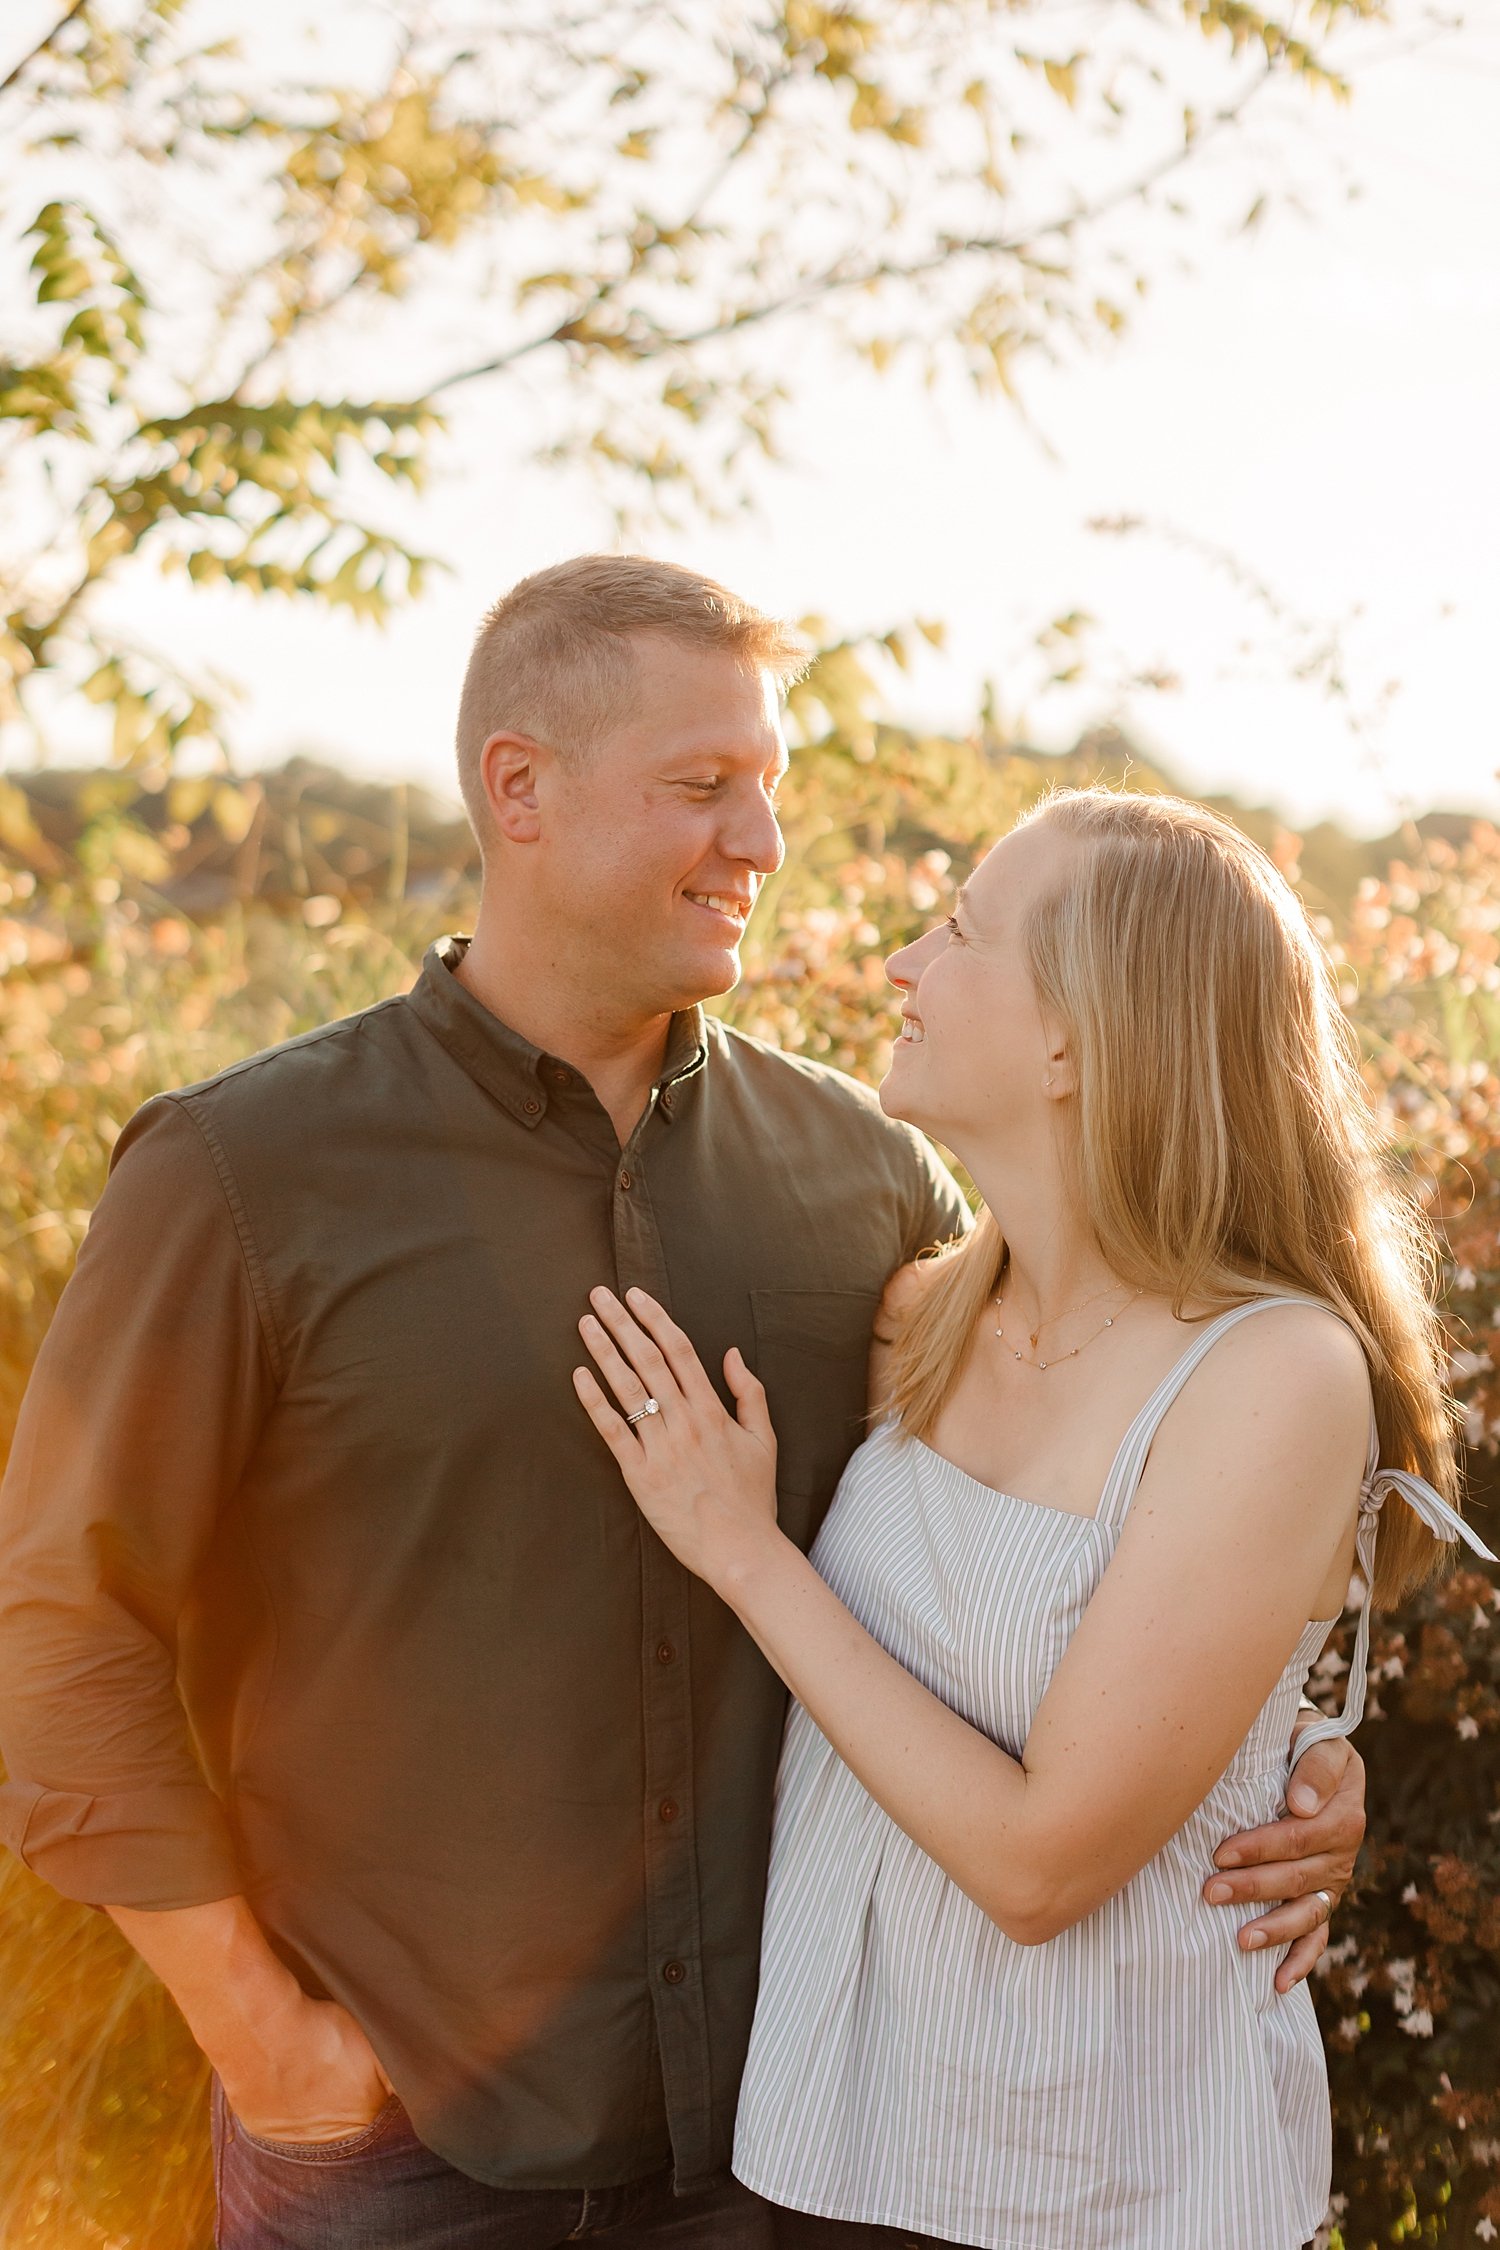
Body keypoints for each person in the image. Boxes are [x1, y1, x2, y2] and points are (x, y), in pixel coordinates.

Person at [0, 567, 1362, 2250]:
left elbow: (1091, 1478)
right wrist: (264, 2038)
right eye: (703, 787)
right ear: (521, 790)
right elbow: (59, 1625)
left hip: (785, 2156)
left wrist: (1280, 1759)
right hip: (396, 2159)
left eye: (770, 784)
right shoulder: (240, 1174)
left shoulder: (865, 1178)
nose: (765, 841)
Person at [572, 786, 1494, 2250]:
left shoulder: (1270, 1374)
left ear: (1077, 1036)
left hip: (1095, 2187)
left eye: (958, 930)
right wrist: (1295, 1743)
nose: (901, 966)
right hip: (834, 2149)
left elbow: (1040, 1863)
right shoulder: (930, 1314)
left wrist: (745, 1551)